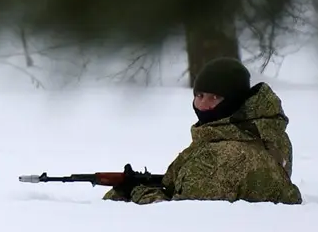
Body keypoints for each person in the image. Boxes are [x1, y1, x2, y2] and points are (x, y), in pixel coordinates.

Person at [105, 57, 301, 204]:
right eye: (199, 96)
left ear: (234, 101)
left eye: (214, 97)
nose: (204, 105)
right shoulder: (269, 134)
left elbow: (183, 216)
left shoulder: (216, 156)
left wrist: (136, 192)